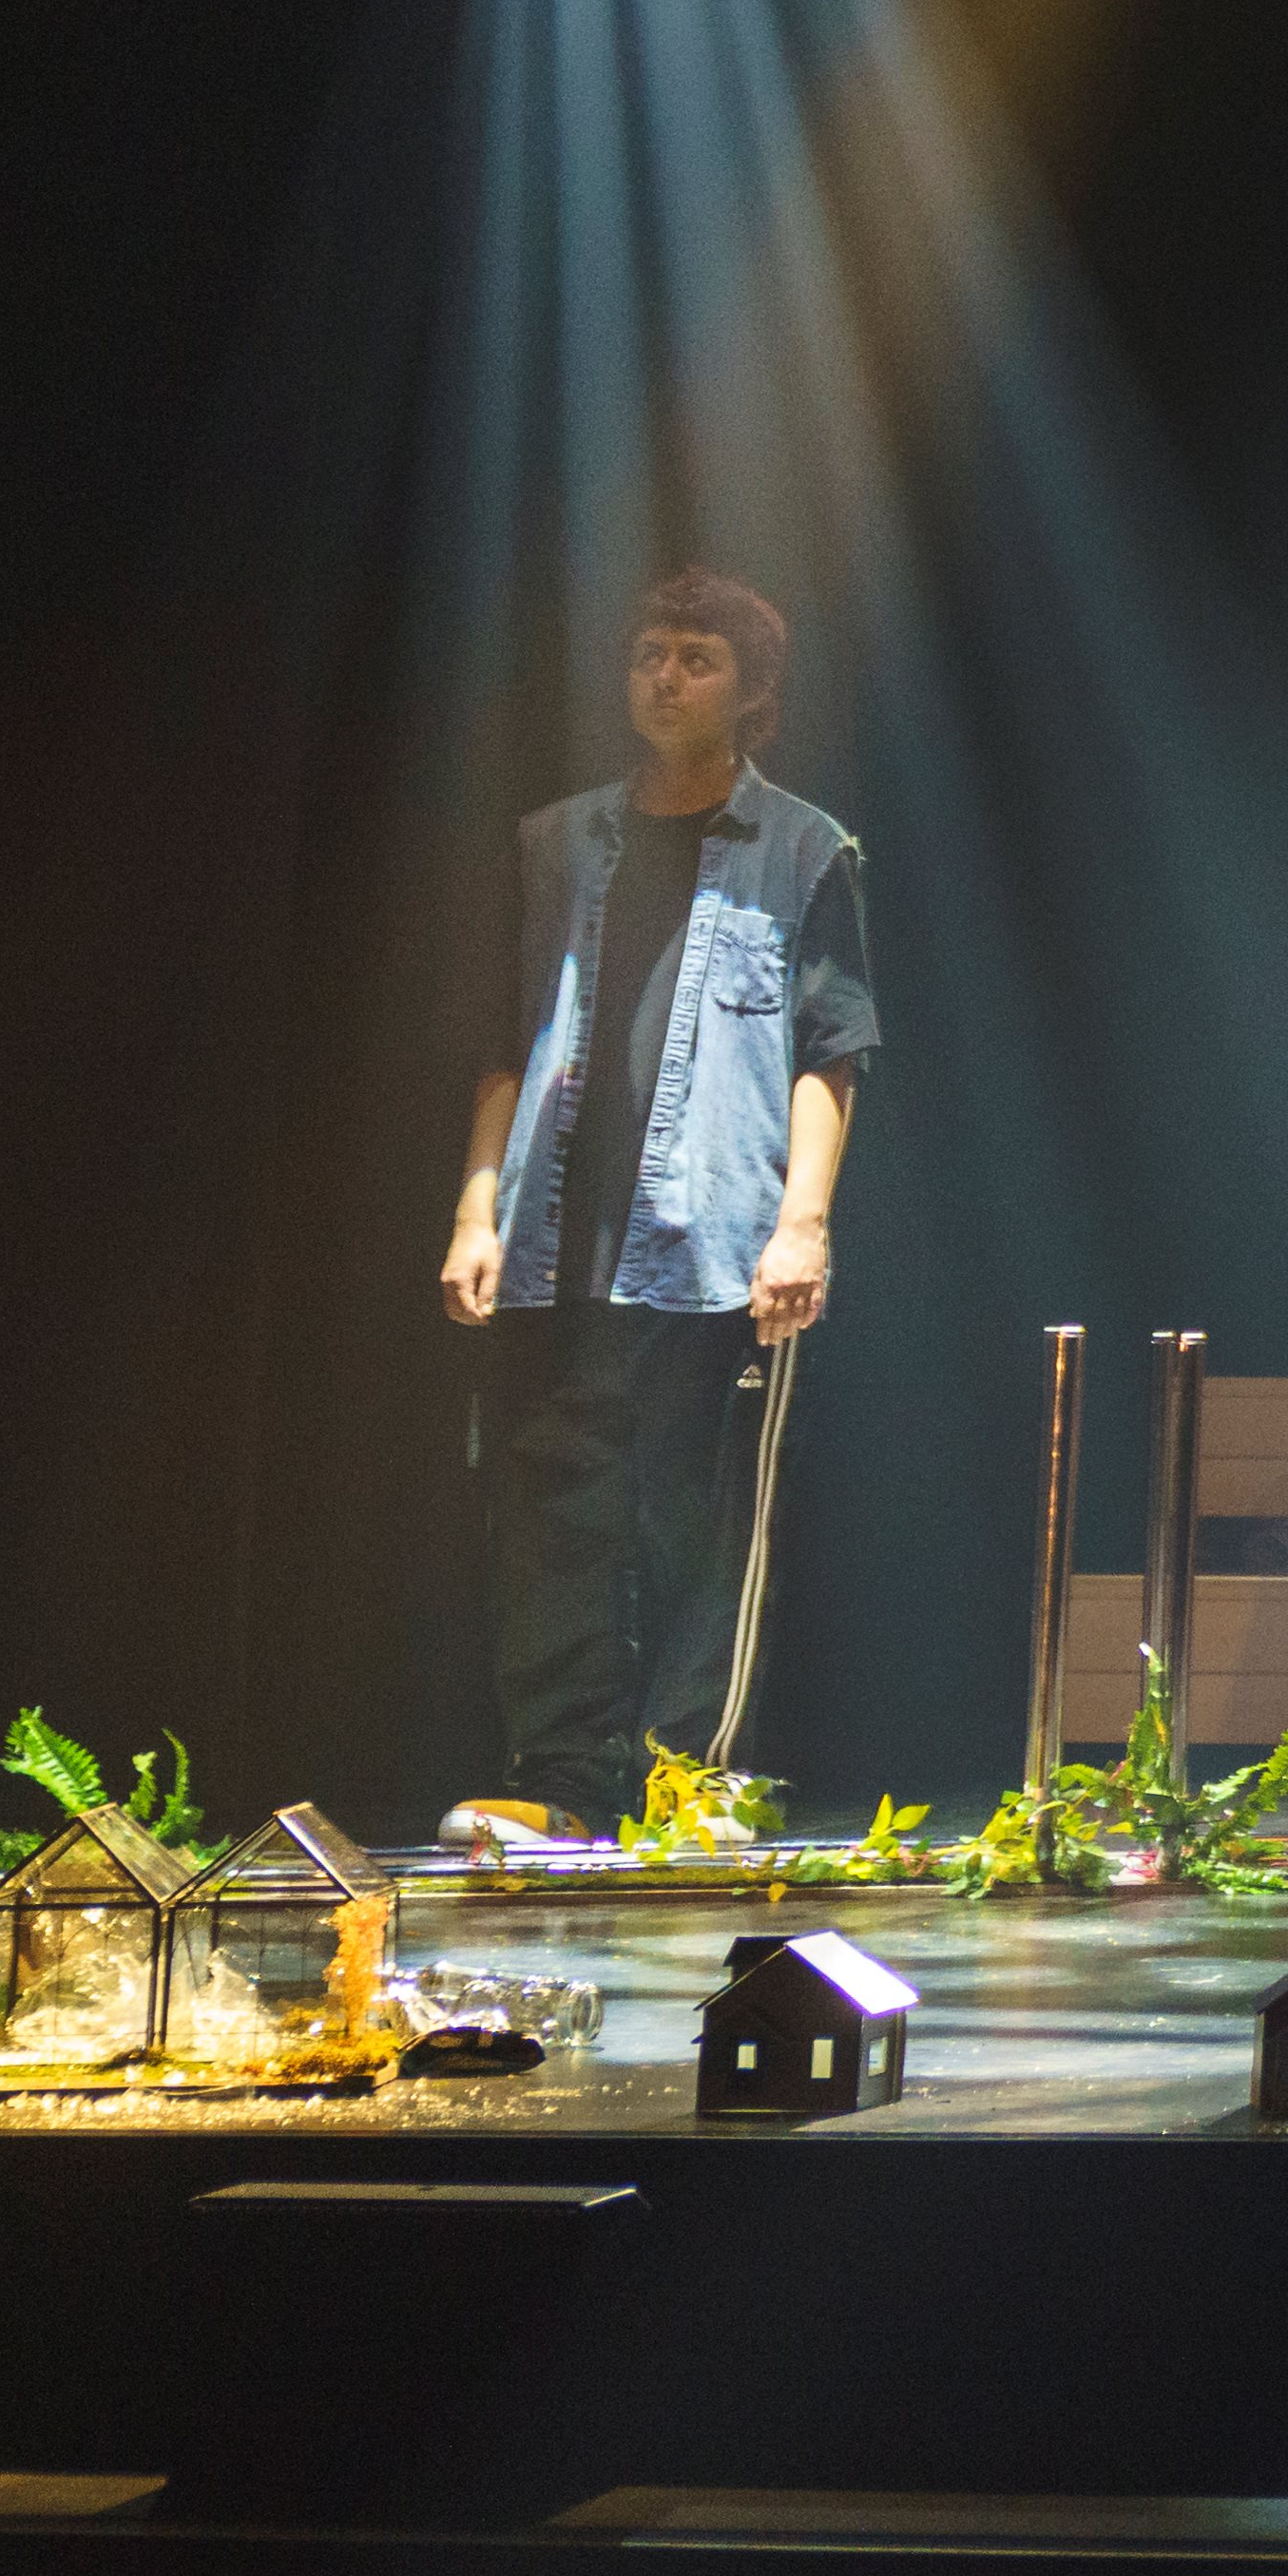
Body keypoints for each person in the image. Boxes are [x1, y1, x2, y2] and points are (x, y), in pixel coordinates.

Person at [437, 569, 876, 1841]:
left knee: (703, 1524)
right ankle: (565, 1789)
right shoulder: (555, 841)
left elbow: (830, 1049)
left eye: (694, 658)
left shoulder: (805, 848)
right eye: (646, 654)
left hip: (717, 1249)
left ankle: (694, 1783)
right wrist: (476, 1212)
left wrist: (803, 1224)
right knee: (549, 1524)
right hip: (550, 1243)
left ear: (753, 694)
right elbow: (505, 1043)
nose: (663, 677)